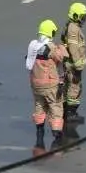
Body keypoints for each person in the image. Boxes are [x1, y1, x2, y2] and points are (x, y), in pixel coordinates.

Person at [26, 19, 69, 147]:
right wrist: (62, 47)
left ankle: (39, 129)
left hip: (36, 84)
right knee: (55, 107)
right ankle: (57, 134)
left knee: (39, 106)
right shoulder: (50, 47)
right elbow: (62, 57)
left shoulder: (33, 45)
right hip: (50, 84)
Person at [61, 2, 86, 123]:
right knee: (74, 87)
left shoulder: (72, 26)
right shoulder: (73, 29)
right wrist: (78, 63)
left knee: (69, 86)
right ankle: (71, 113)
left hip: (70, 63)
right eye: (83, 16)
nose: (84, 19)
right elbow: (73, 47)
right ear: (76, 15)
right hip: (73, 64)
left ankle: (67, 111)